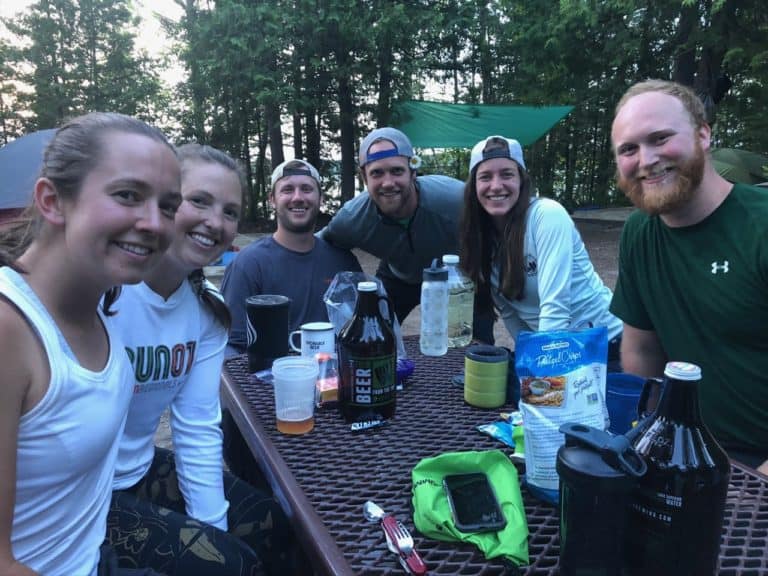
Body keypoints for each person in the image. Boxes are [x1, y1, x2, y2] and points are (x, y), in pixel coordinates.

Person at [0, 112, 181, 576]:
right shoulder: (10, 329)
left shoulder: (99, 295)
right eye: (128, 195)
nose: (155, 224)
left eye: (168, 205)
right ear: (52, 200)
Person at [107, 144, 293, 576]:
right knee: (230, 566)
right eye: (199, 201)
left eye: (230, 212)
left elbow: (196, 427)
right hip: (78, 497)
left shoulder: (208, 311)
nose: (215, 222)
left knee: (274, 524)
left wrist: (213, 529)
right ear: (166, 200)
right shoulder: (106, 291)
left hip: (140, 469)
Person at [609, 79, 768, 472]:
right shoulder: (639, 233)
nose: (645, 160)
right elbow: (642, 351)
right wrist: (650, 438)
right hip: (687, 454)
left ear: (703, 135)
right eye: (628, 149)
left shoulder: (760, 226)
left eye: (660, 138)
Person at [319, 127, 495, 343]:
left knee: (478, 346)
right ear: (364, 177)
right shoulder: (353, 218)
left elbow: (498, 226)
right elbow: (317, 245)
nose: (388, 182)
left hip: (458, 277)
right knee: (373, 337)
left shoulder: (455, 199)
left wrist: (489, 274)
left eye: (397, 171)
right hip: (398, 274)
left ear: (413, 173)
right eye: (377, 173)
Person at [460, 135, 623, 364]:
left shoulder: (546, 215)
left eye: (507, 174)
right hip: (560, 352)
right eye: (485, 177)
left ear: (522, 181)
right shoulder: (482, 239)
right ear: (474, 187)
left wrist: (543, 372)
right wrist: (528, 358)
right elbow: (510, 313)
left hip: (606, 347)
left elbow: (555, 307)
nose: (496, 186)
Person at [221, 158, 361, 355]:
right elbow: (232, 347)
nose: (297, 197)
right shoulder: (248, 264)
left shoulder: (344, 262)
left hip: (336, 379)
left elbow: (361, 331)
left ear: (321, 199)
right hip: (272, 381)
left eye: (306, 189)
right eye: (287, 190)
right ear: (272, 200)